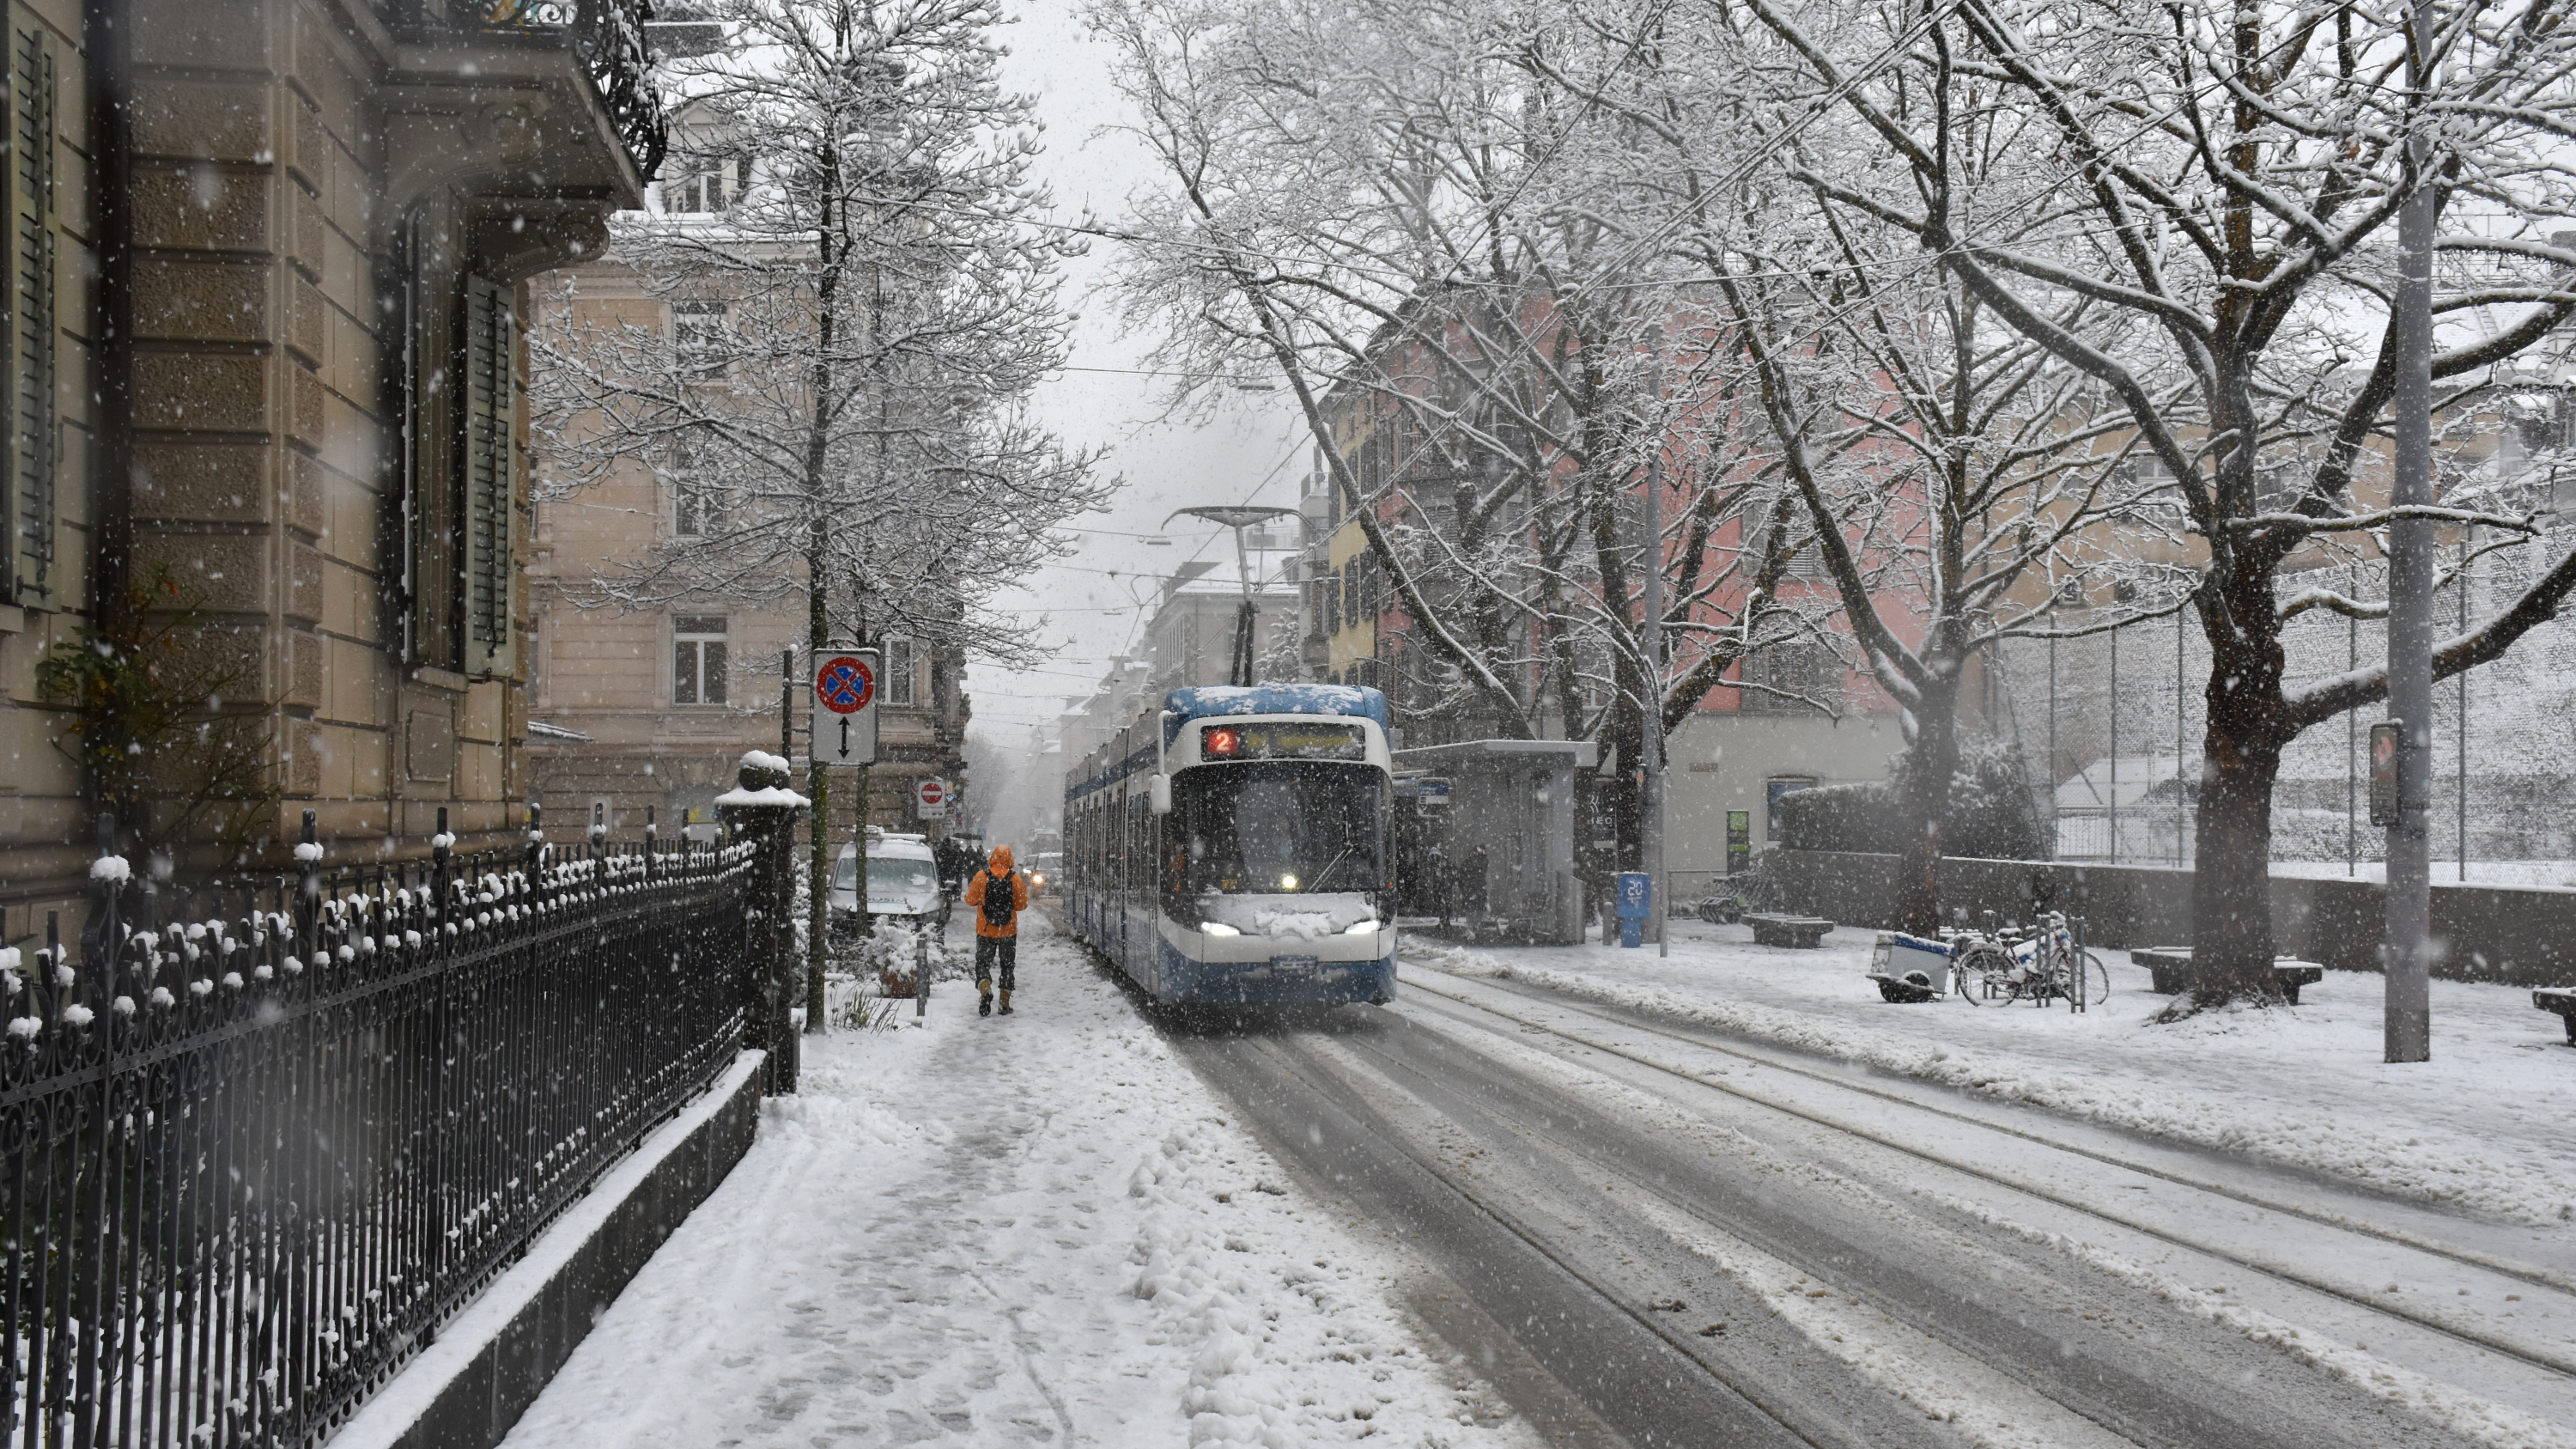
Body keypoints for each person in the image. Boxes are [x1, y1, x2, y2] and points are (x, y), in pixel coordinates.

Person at [964, 844, 1030, 1017]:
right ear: (1009, 859)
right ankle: (1004, 1003)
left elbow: (970, 900)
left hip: (985, 931)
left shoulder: (981, 876)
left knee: (983, 964)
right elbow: (1022, 905)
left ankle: (985, 989)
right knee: (1007, 966)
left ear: (992, 857)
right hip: (1008, 932)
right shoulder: (1015, 879)